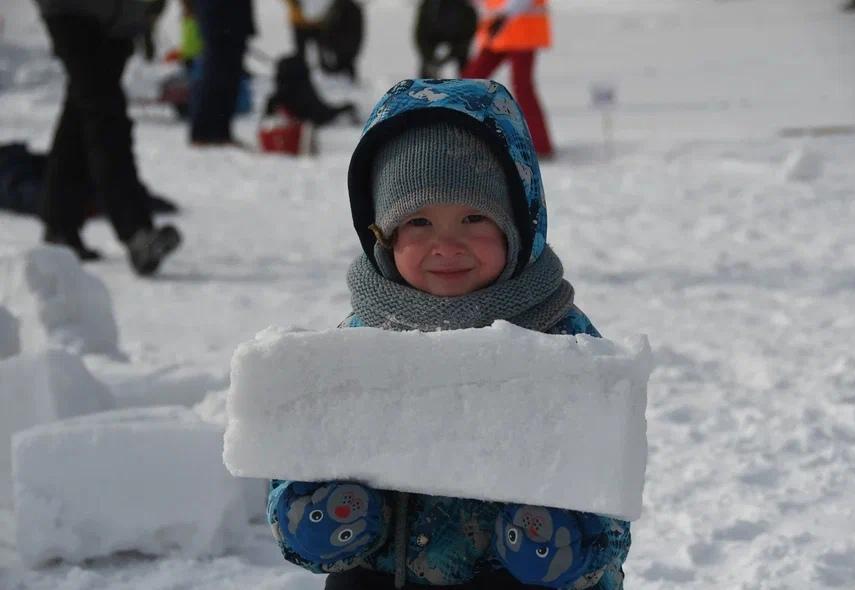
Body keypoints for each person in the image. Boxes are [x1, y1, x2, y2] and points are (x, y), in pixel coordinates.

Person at [266, 79, 630, 590]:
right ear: (383, 236)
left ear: (518, 224)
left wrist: (571, 544)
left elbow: (608, 493)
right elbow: (298, 460)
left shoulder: (560, 339)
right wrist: (314, 518)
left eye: (474, 217)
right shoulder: (362, 338)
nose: (447, 245)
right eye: (418, 222)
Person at [32, 0, 181, 275]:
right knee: (106, 118)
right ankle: (136, 230)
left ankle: (60, 225)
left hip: (122, 19)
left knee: (82, 115)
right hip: (73, 12)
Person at [461, 0, 554, 158]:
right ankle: (460, 134)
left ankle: (541, 145)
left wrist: (504, 15)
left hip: (522, 31)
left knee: (522, 87)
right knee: (468, 81)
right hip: (500, 32)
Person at [189, 0, 255, 145]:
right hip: (218, 18)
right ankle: (203, 131)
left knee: (230, 77)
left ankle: (221, 131)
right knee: (215, 75)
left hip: (234, 18)